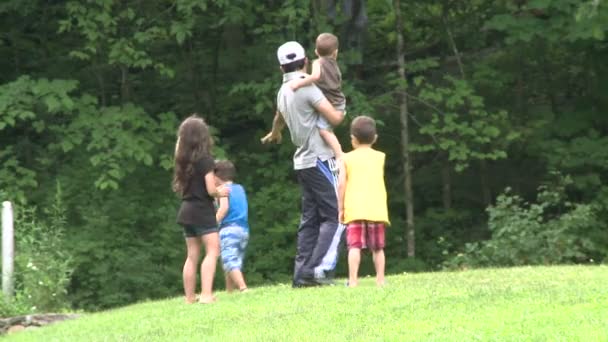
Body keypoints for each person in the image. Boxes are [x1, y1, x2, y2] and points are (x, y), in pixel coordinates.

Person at [261, 41, 345, 287]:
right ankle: (314, 271)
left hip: (303, 162)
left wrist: (275, 132)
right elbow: (333, 118)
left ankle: (301, 275)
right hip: (320, 158)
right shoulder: (308, 88)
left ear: (281, 68)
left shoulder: (282, 90)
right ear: (305, 60)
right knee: (335, 216)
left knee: (310, 220)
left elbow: (278, 116)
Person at [173, 115, 230, 304]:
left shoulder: (182, 160)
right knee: (213, 251)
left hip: (186, 210)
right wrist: (220, 192)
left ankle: (190, 297)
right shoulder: (205, 160)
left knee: (191, 256)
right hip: (202, 210)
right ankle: (206, 295)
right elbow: (210, 189)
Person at [337, 116, 389, 287]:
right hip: (376, 208)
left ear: (353, 139)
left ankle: (353, 281)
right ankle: (380, 280)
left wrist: (341, 208)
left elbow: (342, 184)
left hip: (354, 208)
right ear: (375, 138)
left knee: (354, 246)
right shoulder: (380, 156)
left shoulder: (346, 159)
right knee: (378, 247)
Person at [289, 33, 346, 160]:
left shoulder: (318, 63)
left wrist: (299, 83)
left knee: (324, 131)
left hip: (334, 105)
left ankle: (339, 154)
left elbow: (315, 77)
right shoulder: (334, 66)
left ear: (316, 51)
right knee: (325, 128)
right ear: (335, 53)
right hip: (338, 102)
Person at [214, 160, 250, 293]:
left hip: (229, 228)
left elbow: (224, 208)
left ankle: (243, 287)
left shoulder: (222, 190)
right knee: (234, 259)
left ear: (216, 176)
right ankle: (230, 291)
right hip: (243, 229)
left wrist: (213, 223)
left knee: (228, 258)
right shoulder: (239, 188)